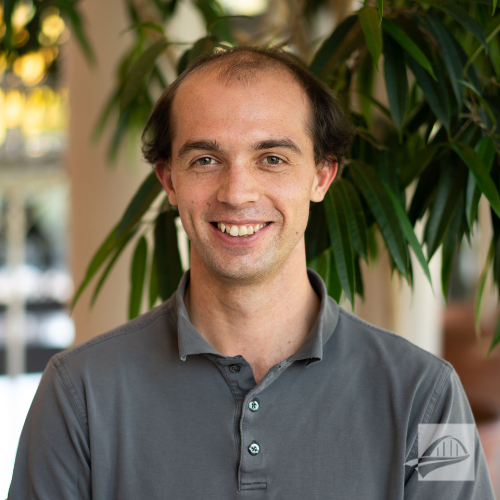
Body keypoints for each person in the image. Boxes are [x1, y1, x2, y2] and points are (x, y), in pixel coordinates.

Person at [8, 46, 495, 499]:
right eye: (205, 159)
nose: (237, 193)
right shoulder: (77, 396)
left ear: (322, 175)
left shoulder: (428, 398)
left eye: (272, 159)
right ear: (169, 181)